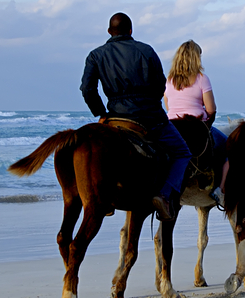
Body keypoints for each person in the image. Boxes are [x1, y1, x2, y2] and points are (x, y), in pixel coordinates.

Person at [80, 12, 191, 220]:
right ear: (131, 30)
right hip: (150, 117)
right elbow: (160, 85)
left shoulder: (95, 55)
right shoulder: (147, 50)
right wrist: (149, 103)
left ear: (109, 32)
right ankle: (164, 195)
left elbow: (87, 89)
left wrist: (101, 113)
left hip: (115, 116)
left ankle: (105, 197)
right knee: (183, 152)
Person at [163, 40, 229, 207]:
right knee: (228, 147)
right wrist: (205, 121)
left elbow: (169, 107)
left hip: (172, 127)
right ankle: (220, 190)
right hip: (196, 126)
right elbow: (211, 109)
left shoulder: (169, 80)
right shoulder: (201, 79)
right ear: (196, 58)